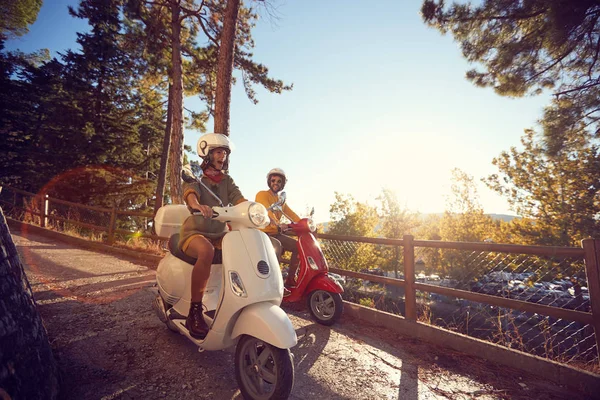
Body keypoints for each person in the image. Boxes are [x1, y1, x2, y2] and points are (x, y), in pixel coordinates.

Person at [179, 133, 247, 339]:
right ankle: (194, 312)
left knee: (243, 249)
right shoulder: (196, 175)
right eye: (219, 152)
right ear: (207, 154)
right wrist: (196, 205)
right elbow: (190, 191)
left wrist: (252, 210)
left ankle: (234, 302)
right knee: (206, 250)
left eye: (225, 153)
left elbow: (238, 197)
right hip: (195, 232)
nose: (223, 157)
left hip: (218, 233)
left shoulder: (227, 180)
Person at [255, 168, 301, 290]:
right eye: (273, 180)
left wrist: (304, 223)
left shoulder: (281, 201)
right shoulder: (262, 194)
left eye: (279, 181)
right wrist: (276, 222)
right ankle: (275, 284)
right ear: (269, 181)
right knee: (277, 247)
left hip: (275, 233)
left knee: (299, 246)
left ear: (283, 184)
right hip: (262, 234)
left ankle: (291, 279)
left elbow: (293, 215)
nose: (276, 183)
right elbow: (266, 209)